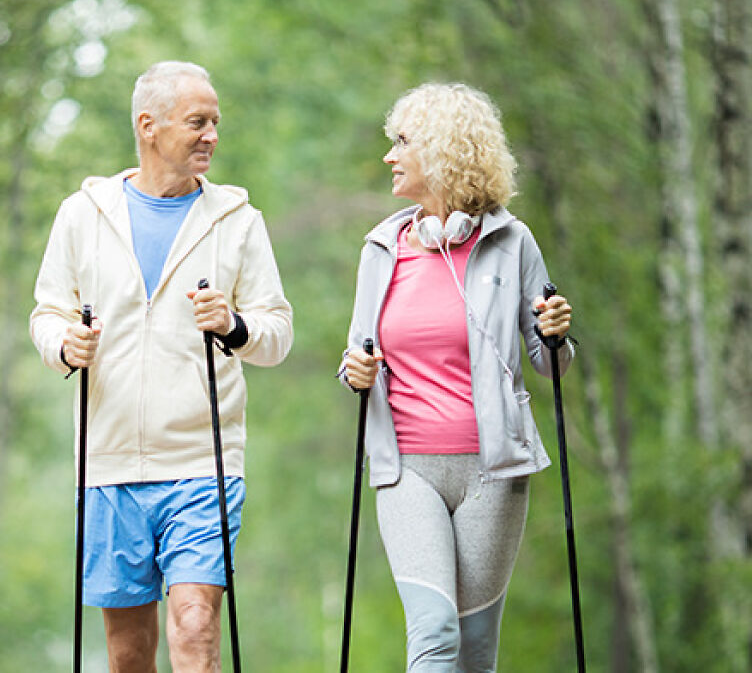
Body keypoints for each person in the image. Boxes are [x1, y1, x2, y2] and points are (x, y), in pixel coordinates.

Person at [30, 61, 293, 671]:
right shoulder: (82, 214)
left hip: (203, 462)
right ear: (148, 126)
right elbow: (46, 313)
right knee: (128, 652)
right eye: (197, 122)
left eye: (216, 123)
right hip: (109, 461)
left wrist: (233, 325)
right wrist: (65, 344)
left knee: (196, 626)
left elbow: (276, 333)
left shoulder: (237, 222)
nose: (212, 136)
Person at [337, 82, 574, 672]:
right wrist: (356, 371)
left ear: (443, 150)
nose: (389, 155)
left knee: (474, 651)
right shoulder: (382, 248)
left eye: (402, 142)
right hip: (406, 469)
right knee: (434, 632)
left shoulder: (511, 242)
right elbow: (355, 357)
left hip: (493, 470)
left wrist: (555, 335)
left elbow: (550, 364)